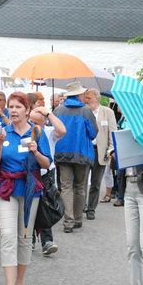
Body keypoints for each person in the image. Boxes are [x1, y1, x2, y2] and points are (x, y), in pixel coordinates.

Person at [0, 92, 52, 285]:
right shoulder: (2, 133)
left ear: (27, 110)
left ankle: (20, 284)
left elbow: (46, 164)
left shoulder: (37, 133)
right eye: (11, 107)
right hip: (5, 188)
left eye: (17, 107)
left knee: (24, 236)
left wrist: (35, 152)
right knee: (7, 235)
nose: (13, 110)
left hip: (30, 190)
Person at [52, 82, 97, 233]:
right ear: (78, 95)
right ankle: (77, 218)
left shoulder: (58, 110)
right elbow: (93, 133)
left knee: (65, 187)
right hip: (82, 154)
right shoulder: (86, 111)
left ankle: (68, 220)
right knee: (79, 187)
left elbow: (53, 131)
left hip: (62, 153)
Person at [29, 104, 66, 255]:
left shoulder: (49, 132)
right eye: (31, 121)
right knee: (29, 207)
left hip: (46, 174)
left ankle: (47, 241)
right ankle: (29, 239)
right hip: (30, 173)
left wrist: (49, 113)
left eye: (37, 123)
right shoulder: (26, 132)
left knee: (45, 207)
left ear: (44, 122)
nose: (34, 126)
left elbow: (63, 130)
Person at [83, 88, 117, 220]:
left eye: (89, 98)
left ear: (97, 98)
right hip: (86, 151)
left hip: (100, 151)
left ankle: (91, 209)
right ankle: (81, 206)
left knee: (96, 182)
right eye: (85, 98)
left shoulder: (107, 112)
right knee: (82, 181)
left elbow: (112, 133)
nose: (86, 101)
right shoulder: (84, 112)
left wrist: (110, 150)